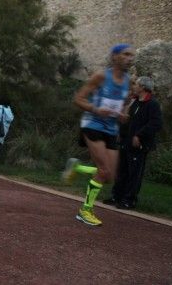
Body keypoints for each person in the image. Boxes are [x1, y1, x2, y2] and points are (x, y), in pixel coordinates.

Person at [62, 44, 135, 226]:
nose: (130, 58)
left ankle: (77, 168)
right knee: (103, 171)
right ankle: (85, 211)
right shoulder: (101, 76)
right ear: (115, 56)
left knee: (110, 177)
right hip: (93, 124)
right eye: (126, 55)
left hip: (111, 128)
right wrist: (95, 108)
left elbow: (125, 102)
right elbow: (78, 99)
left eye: (132, 56)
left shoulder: (128, 81)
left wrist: (124, 114)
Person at [104, 76, 162, 209]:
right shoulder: (135, 102)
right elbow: (128, 121)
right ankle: (116, 196)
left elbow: (156, 124)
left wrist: (139, 135)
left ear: (143, 87)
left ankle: (129, 200)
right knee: (122, 171)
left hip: (139, 145)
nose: (134, 86)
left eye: (136, 84)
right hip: (126, 142)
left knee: (134, 173)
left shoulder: (152, 104)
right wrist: (120, 133)